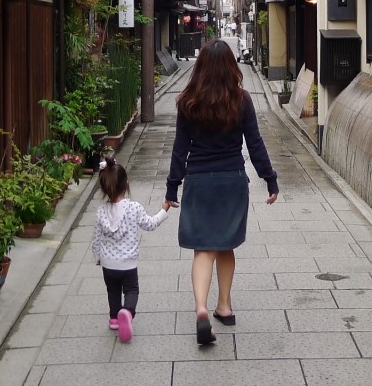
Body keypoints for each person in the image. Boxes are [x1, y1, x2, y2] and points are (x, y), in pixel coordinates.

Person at [165, 39, 279, 345]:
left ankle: (201, 309)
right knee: (226, 245)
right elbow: (255, 144)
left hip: (199, 180)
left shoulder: (188, 101)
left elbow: (179, 150)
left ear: (200, 68)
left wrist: (172, 187)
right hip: (232, 179)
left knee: (203, 248)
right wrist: (270, 179)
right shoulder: (241, 100)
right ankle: (224, 307)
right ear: (231, 67)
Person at [91, 156, 171, 343]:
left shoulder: (101, 211)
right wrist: (164, 210)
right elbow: (150, 224)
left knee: (112, 291)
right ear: (126, 185)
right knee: (132, 290)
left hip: (108, 264)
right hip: (127, 263)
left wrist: (98, 257)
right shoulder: (134, 208)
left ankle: (113, 319)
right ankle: (127, 312)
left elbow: (96, 238)